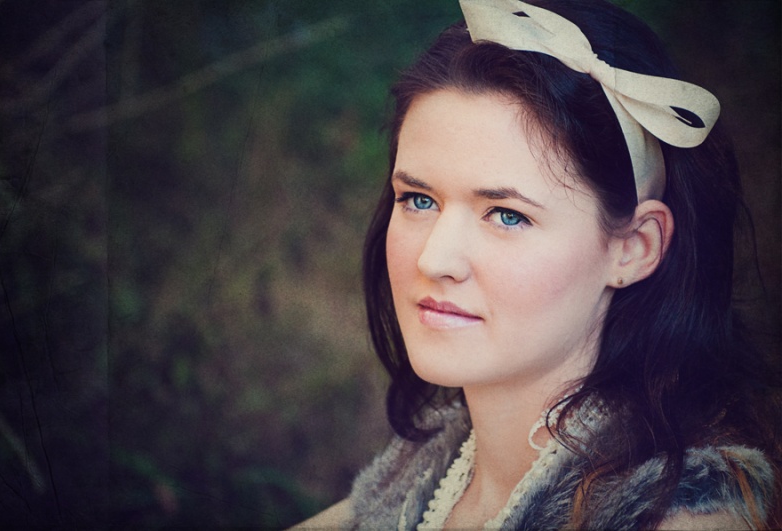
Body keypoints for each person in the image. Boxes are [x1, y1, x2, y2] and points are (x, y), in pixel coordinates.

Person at [294, 0, 779, 528]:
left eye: (505, 215)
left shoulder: (685, 517)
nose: (435, 259)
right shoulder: (409, 485)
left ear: (634, 247)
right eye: (418, 199)